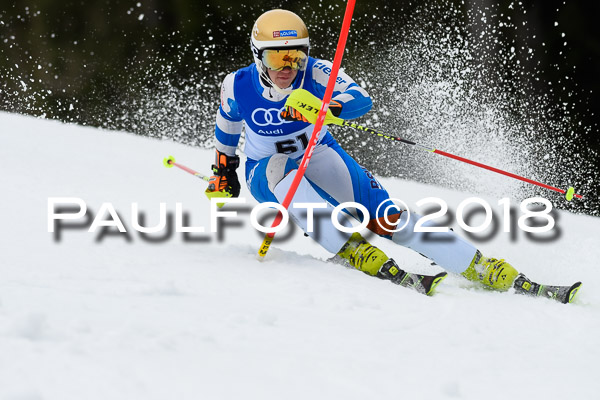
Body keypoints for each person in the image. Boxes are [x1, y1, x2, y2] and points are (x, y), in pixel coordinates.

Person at [205, 9, 579, 300]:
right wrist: (225, 167)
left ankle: (480, 265)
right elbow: (227, 124)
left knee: (387, 215)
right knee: (278, 167)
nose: (287, 68)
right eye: (276, 60)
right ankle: (350, 248)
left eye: (295, 58)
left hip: (318, 153)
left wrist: (326, 107)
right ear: (258, 58)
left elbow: (359, 99)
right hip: (264, 170)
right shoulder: (237, 85)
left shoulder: (316, 73)